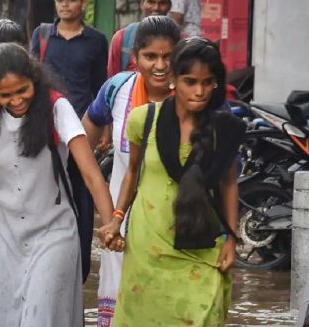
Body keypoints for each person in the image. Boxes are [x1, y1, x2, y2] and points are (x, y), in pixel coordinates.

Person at [101, 37, 246, 326]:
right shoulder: (144, 119)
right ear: (173, 79)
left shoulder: (223, 129)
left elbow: (229, 184)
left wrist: (231, 240)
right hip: (147, 244)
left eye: (207, 83)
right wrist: (116, 219)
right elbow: (132, 172)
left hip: (202, 242)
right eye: (190, 81)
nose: (199, 91)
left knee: (201, 310)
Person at [0, 43, 114, 326]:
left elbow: (92, 175)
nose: (16, 100)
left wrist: (111, 225)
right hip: (3, 233)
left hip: (54, 232)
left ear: (34, 79)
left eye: (23, 90)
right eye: (5, 95)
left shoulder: (57, 107)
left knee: (43, 316)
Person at [82, 15, 181, 326]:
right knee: (122, 300)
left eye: (168, 57)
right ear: (135, 58)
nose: (160, 66)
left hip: (177, 221)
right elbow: (84, 142)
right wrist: (107, 212)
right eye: (151, 56)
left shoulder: (195, 92)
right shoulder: (117, 88)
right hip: (122, 218)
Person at [30, 0, 108, 282]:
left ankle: (81, 264)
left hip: (81, 128)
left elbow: (101, 86)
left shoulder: (97, 40)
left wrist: (105, 128)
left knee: (82, 190)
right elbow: (31, 81)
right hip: (46, 128)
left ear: (83, 3)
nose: (65, 4)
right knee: (45, 189)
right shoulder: (42, 35)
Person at [106, 0, 171, 78]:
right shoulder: (123, 38)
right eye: (151, 2)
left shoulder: (179, 40)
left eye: (162, 3)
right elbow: (112, 80)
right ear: (142, 4)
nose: (156, 8)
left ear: (169, 6)